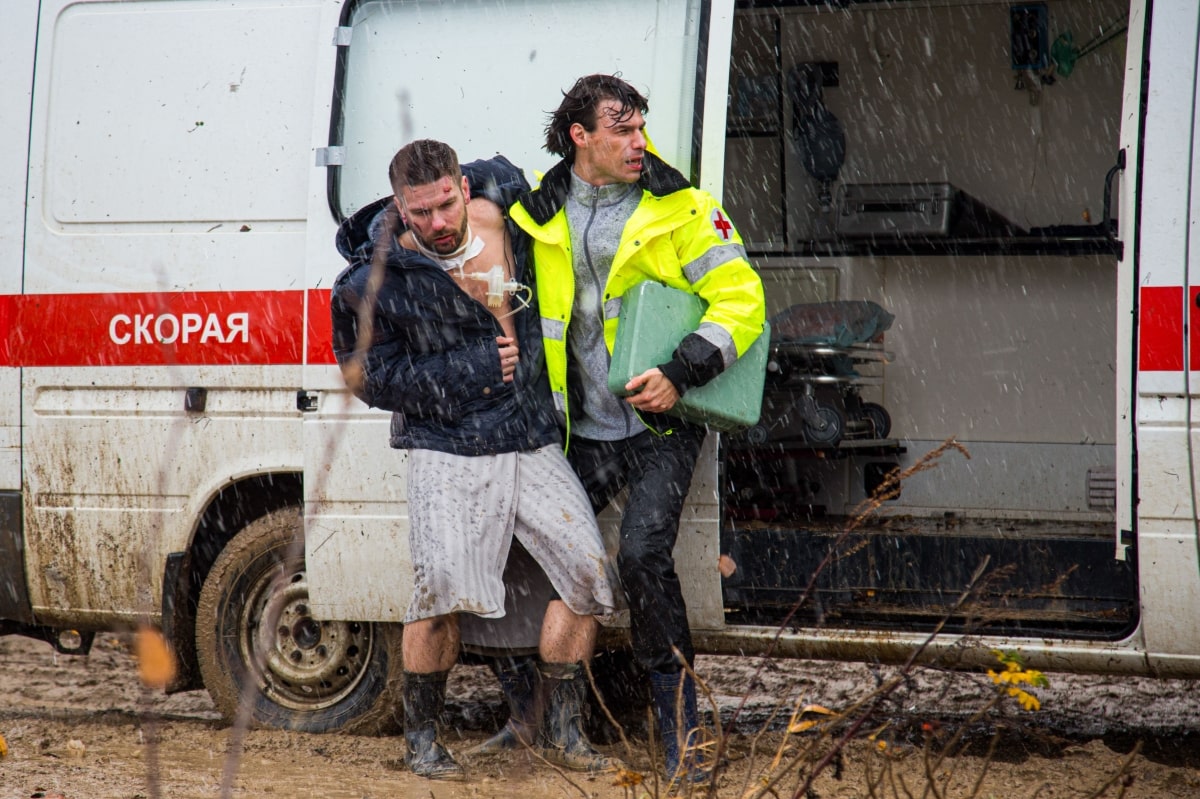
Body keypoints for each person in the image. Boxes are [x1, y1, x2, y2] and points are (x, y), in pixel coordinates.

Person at [330, 139, 619, 781]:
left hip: (530, 431)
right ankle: (422, 742)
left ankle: (564, 731)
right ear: (398, 207)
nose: (436, 223)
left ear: (463, 188)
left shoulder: (512, 209)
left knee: (588, 574)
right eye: (419, 212)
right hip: (448, 442)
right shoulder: (374, 279)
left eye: (444, 205)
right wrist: (472, 368)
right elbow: (368, 377)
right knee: (439, 593)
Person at [509, 74, 766, 786]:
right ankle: (539, 719)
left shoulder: (683, 206)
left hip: (664, 424)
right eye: (621, 130)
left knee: (643, 557)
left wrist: (682, 372)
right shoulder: (536, 212)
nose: (638, 143)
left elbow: (743, 299)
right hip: (580, 430)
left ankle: (683, 731)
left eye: (641, 128)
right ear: (580, 137)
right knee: (535, 552)